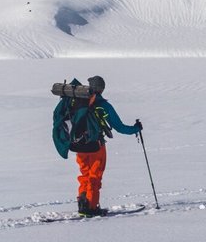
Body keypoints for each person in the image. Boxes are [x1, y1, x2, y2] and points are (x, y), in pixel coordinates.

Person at [53, 76, 141, 216]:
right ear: (101, 89)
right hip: (96, 146)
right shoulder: (102, 105)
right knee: (95, 176)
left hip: (78, 145)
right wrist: (136, 128)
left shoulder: (75, 101)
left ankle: (83, 203)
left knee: (85, 174)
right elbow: (120, 128)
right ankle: (91, 207)